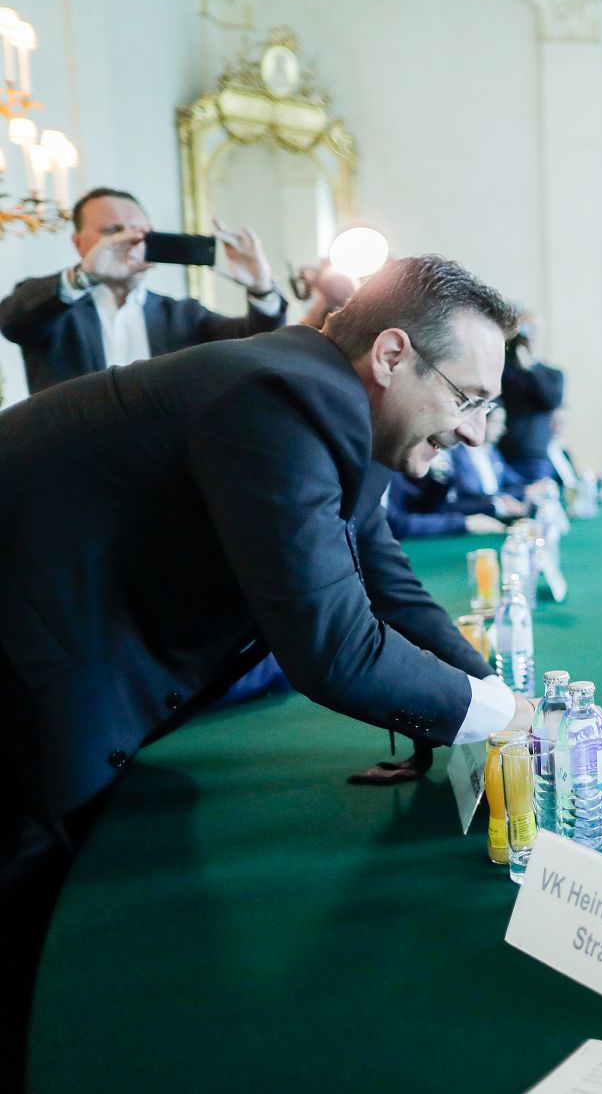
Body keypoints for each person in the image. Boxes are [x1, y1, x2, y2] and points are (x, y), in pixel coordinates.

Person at [0, 255, 541, 1068]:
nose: (471, 432)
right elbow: (334, 648)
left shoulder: (321, 396)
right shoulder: (282, 397)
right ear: (392, 356)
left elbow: (384, 581)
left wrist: (492, 690)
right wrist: (505, 719)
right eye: (467, 399)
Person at [0, 187, 287, 394]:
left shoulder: (183, 315)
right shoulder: (55, 308)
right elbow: (13, 322)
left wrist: (262, 289)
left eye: (139, 231)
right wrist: (84, 277)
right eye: (112, 231)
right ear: (78, 244)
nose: (130, 240)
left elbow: (257, 342)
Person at [385, 407, 531, 539]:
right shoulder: (456, 454)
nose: (502, 429)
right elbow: (395, 523)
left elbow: (430, 506)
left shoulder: (492, 453)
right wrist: (465, 522)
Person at [497, 309, 567, 482]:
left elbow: (551, 400)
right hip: (502, 454)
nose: (529, 333)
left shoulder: (552, 374)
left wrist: (531, 366)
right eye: (525, 328)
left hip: (535, 456)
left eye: (534, 329)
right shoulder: (505, 370)